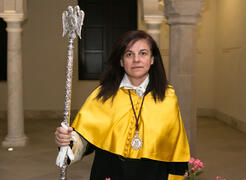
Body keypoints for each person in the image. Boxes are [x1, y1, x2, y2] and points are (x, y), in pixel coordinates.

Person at [55, 30, 190, 180]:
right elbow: (85, 140)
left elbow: (176, 147)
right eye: (129, 54)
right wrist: (68, 141)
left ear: (152, 59)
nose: (136, 60)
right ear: (121, 61)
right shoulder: (103, 95)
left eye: (143, 53)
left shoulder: (167, 97)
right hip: (109, 172)